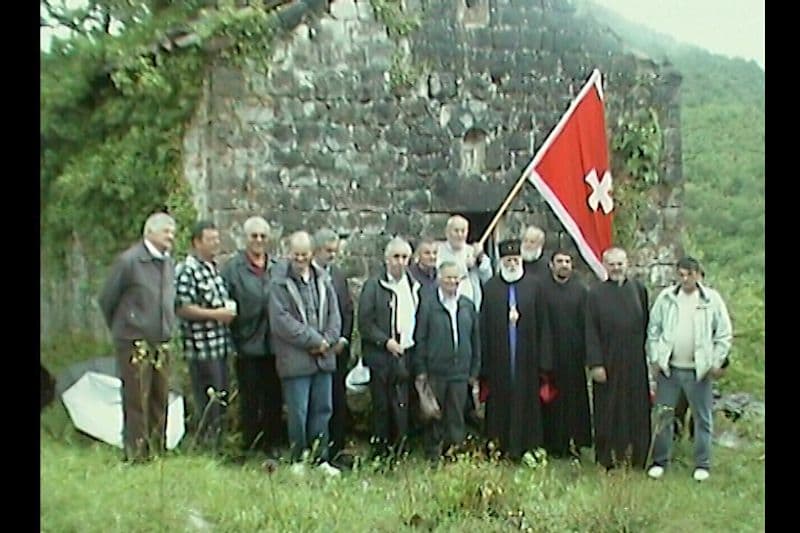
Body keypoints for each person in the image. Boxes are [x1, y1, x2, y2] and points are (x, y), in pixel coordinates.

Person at [646, 256, 732, 482]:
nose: (685, 279)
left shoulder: (711, 300)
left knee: (702, 418)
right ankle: (659, 461)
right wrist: (655, 357)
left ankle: (702, 464)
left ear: (699, 275)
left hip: (699, 371)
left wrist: (715, 362)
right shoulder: (666, 298)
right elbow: (653, 330)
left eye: (689, 275)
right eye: (681, 275)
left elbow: (723, 335)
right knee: (663, 416)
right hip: (670, 369)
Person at [99, 212, 178, 462]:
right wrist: (126, 327)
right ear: (150, 232)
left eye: (172, 232)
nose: (171, 237)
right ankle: (136, 453)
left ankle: (157, 449)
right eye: (166, 231)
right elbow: (107, 299)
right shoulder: (129, 261)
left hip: (161, 342)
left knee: (159, 397)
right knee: (137, 399)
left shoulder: (167, 262)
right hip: (134, 341)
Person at [268, 231, 342, 475]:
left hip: (323, 359)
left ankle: (321, 459)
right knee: (298, 412)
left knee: (323, 410)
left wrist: (327, 340)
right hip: (296, 360)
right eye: (296, 254)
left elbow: (335, 315)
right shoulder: (279, 283)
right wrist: (314, 340)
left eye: (304, 254)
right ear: (289, 253)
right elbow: (281, 322)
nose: (300, 259)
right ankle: (298, 458)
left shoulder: (324, 280)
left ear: (312, 254)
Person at [480, 239, 552, 460]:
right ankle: (499, 447)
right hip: (500, 359)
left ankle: (527, 447)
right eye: (507, 260)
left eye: (515, 259)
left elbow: (544, 323)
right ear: (501, 262)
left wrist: (544, 360)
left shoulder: (535, 286)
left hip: (527, 359)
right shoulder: (491, 287)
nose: (512, 264)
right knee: (500, 403)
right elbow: (483, 325)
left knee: (526, 402)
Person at [220, 216, 283, 455]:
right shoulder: (232, 270)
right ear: (245, 239)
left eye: (263, 236)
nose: (258, 240)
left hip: (275, 346)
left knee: (274, 398)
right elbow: (226, 305)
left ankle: (273, 444)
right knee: (250, 399)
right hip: (247, 345)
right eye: (254, 236)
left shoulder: (278, 268)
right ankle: (251, 444)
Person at [585, 247, 651, 470]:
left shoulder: (639, 290)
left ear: (627, 264)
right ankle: (608, 458)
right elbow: (590, 331)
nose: (616, 268)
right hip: (607, 361)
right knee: (609, 410)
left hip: (634, 361)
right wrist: (595, 363)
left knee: (636, 408)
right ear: (605, 266)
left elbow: (645, 325)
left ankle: (637, 457)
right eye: (611, 264)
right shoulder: (595, 294)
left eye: (619, 263)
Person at [358, 237, 422, 458]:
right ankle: (380, 453)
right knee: (382, 406)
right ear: (386, 259)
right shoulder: (373, 286)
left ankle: (401, 450)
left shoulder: (414, 285)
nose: (400, 262)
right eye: (396, 257)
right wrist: (386, 341)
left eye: (405, 257)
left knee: (403, 404)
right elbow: (365, 323)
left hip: (407, 354)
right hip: (382, 356)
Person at [175, 220, 236, 450]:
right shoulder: (187, 270)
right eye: (210, 240)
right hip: (201, 349)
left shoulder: (213, 268)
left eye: (217, 239)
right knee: (207, 402)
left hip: (220, 346)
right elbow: (182, 307)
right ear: (196, 242)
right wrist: (216, 314)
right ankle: (208, 448)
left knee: (221, 399)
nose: (216, 243)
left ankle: (219, 446)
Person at [414, 261, 481, 461]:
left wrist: (474, 371)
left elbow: (475, 340)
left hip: (460, 372)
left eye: (455, 277)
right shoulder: (428, 305)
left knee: (456, 416)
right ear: (440, 279)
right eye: (448, 277)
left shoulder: (467, 305)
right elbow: (421, 338)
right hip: (436, 371)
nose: (452, 281)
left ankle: (455, 455)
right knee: (434, 415)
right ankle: (433, 456)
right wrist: (421, 370)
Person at [539, 250, 592, 459]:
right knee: (552, 403)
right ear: (551, 265)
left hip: (574, 356)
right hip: (550, 355)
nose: (564, 265)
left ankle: (576, 443)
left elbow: (587, 325)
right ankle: (553, 445)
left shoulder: (581, 290)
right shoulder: (541, 290)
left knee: (574, 402)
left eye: (567, 261)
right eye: (559, 261)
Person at [312, 228, 355, 465]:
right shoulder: (306, 276)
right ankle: (318, 452)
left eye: (334, 251)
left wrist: (343, 340)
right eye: (328, 251)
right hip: (314, 352)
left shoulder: (338, 276)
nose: (332, 256)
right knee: (316, 404)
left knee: (337, 401)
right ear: (316, 250)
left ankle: (337, 450)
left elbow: (348, 309)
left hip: (337, 352)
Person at [437, 215, 493, 312]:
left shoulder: (473, 251)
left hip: (470, 304)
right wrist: (464, 266)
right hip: (444, 304)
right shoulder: (438, 251)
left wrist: (480, 257)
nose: (460, 234)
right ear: (447, 232)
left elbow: (488, 278)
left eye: (463, 231)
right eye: (456, 230)